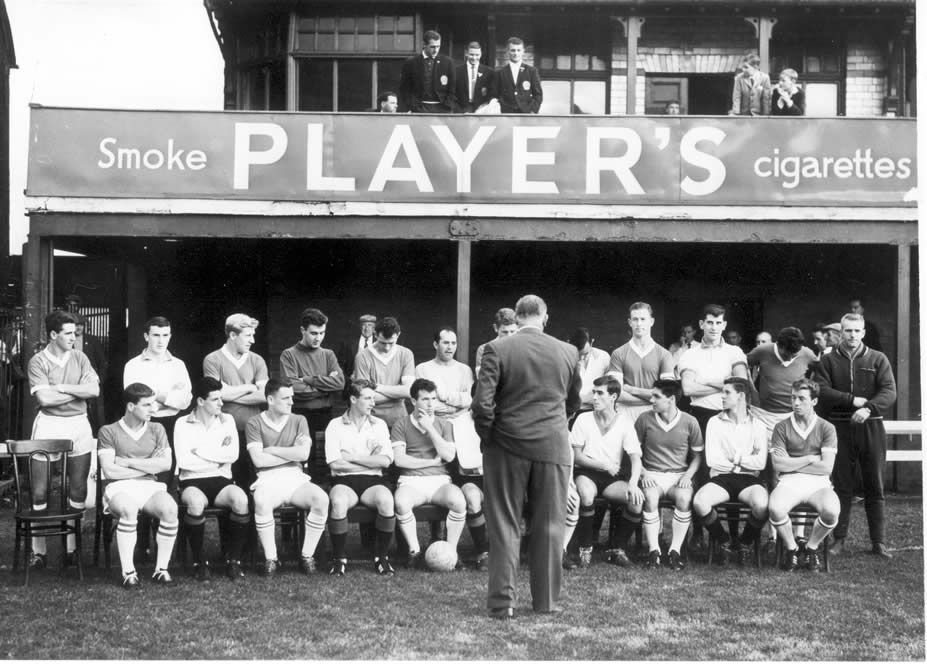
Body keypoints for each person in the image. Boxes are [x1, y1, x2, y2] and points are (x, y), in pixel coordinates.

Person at [472, 294, 581, 619]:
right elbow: (573, 402)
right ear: (544, 318)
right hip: (553, 445)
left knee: (505, 524)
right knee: (550, 524)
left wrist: (489, 437)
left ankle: (502, 603)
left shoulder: (496, 349)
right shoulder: (568, 351)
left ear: (516, 318)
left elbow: (482, 405)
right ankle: (546, 601)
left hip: (506, 446)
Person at [815, 313, 896, 558]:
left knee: (875, 484)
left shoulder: (878, 358)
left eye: (857, 331)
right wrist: (851, 400)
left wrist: (868, 408)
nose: (852, 335)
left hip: (871, 426)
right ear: (841, 332)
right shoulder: (828, 360)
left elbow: (889, 391)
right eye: (848, 331)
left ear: (863, 332)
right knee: (842, 486)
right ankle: (839, 539)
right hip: (839, 428)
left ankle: (878, 542)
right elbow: (821, 390)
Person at [26, 310, 100, 569]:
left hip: (79, 424)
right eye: (68, 333)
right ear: (53, 335)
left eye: (75, 331)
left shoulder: (80, 357)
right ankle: (38, 552)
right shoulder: (38, 361)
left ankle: (71, 549)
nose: (74, 336)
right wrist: (78, 394)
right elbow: (44, 400)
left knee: (78, 488)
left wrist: (61, 388)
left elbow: (94, 390)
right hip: (48, 424)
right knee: (39, 489)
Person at [246, 380, 329, 576]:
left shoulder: (299, 420)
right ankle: (271, 559)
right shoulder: (254, 422)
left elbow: (303, 455)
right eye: (286, 398)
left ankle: (307, 556)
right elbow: (258, 460)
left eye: (291, 397)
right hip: (267, 478)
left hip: (294, 477)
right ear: (270, 399)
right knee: (261, 501)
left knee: (321, 499)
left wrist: (273, 450)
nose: (291, 402)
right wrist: (291, 452)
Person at [97, 383, 177, 588]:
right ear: (131, 406)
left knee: (170, 508)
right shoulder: (108, 431)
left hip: (149, 486)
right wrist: (149, 467)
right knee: (128, 509)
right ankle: (128, 572)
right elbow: (110, 471)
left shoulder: (157, 428)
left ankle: (161, 569)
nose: (154, 409)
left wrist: (127, 462)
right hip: (118, 487)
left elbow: (166, 464)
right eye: (148, 405)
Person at [173, 377, 251, 581]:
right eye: (215, 399)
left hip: (222, 480)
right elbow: (184, 460)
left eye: (221, 398)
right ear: (200, 401)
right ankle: (200, 562)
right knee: (196, 503)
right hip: (192, 481)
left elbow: (232, 455)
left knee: (241, 500)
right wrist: (216, 458)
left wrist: (199, 452)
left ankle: (233, 561)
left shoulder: (228, 421)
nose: (221, 404)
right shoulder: (182, 423)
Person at [692, 377, 769, 565]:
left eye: (727, 392)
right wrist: (744, 461)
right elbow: (712, 459)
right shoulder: (714, 422)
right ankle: (724, 541)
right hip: (721, 478)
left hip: (749, 479)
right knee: (700, 502)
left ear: (741, 396)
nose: (722, 396)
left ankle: (745, 543)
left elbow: (760, 463)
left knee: (762, 505)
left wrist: (735, 460)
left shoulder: (758, 425)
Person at [392, 378, 467, 567]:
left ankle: (451, 553)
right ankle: (415, 552)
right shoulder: (401, 424)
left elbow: (448, 456)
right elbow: (400, 460)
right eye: (425, 399)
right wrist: (430, 462)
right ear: (413, 401)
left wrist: (430, 429)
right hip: (411, 481)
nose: (431, 404)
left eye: (433, 399)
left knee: (458, 501)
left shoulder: (444, 424)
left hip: (440, 481)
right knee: (401, 503)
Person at [325, 379, 397, 576]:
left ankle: (381, 557)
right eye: (368, 398)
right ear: (353, 399)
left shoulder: (379, 425)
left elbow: (385, 461)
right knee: (338, 502)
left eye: (374, 398)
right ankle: (339, 558)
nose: (373, 403)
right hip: (344, 481)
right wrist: (369, 460)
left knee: (386, 500)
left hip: (373, 481)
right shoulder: (335, 425)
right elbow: (335, 464)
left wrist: (354, 458)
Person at [569, 376, 643, 568]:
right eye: (593, 392)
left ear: (613, 397)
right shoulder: (583, 419)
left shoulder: (625, 422)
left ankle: (616, 549)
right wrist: (603, 465)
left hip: (612, 478)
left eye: (599, 393)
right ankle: (584, 550)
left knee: (636, 501)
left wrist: (633, 483)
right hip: (586, 472)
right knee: (586, 494)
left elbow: (635, 457)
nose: (594, 397)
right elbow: (576, 456)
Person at [768, 378, 840, 572]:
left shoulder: (827, 428)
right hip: (789, 482)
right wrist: (810, 458)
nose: (796, 403)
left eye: (802, 398)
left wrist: (791, 463)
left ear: (814, 401)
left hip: (819, 483)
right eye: (793, 398)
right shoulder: (781, 427)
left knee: (832, 511)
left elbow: (826, 468)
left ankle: (811, 548)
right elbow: (778, 464)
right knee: (775, 508)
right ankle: (791, 549)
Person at [636, 379, 703, 570]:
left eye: (656, 396)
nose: (651, 400)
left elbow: (698, 456)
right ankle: (654, 551)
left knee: (683, 497)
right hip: (652, 474)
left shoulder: (690, 421)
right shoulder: (644, 419)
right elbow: (633, 453)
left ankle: (675, 551)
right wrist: (643, 473)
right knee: (649, 496)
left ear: (671, 399)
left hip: (678, 475)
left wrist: (688, 476)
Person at [203, 314, 268, 489]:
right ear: (232, 335)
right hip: (222, 431)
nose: (252, 340)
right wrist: (250, 387)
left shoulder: (257, 360)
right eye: (248, 336)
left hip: (252, 431)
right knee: (227, 485)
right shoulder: (213, 359)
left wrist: (229, 392)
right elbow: (216, 393)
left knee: (252, 484)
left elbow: (264, 396)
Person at [279, 307, 345, 456]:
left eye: (322, 333)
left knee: (323, 459)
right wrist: (325, 388)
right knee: (301, 457)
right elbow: (293, 387)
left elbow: (340, 383)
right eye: (314, 333)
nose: (318, 338)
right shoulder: (288, 355)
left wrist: (308, 379)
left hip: (325, 414)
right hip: (299, 413)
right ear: (303, 330)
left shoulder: (328, 355)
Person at [123, 316, 192, 455]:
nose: (161, 341)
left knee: (169, 469)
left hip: (173, 423)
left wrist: (155, 394)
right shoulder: (133, 365)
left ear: (170, 336)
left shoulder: (178, 365)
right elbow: (134, 401)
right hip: (144, 424)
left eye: (165, 335)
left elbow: (185, 401)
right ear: (146, 336)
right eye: (156, 335)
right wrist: (171, 397)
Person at [608, 302, 675, 422]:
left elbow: (667, 393)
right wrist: (654, 397)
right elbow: (616, 394)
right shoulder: (618, 353)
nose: (639, 324)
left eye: (643, 319)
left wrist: (633, 390)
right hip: (625, 415)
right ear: (630, 322)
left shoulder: (664, 354)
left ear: (652, 321)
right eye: (635, 319)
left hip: (654, 414)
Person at [748, 327, 818, 442]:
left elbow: (820, 370)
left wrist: (810, 390)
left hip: (794, 415)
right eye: (786, 354)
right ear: (778, 345)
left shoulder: (807, 354)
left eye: (794, 355)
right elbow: (742, 366)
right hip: (764, 414)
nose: (790, 358)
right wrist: (751, 389)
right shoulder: (762, 351)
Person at [352, 316, 415, 429]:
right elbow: (364, 396)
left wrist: (376, 387)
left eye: (391, 343)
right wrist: (398, 394)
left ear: (398, 335)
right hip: (370, 421)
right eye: (382, 343)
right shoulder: (362, 356)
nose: (387, 347)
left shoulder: (406, 354)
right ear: (375, 334)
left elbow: (409, 391)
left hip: (399, 420)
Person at [399, 30, 456, 113]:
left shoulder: (447, 62)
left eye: (438, 46)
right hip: (419, 108)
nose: (436, 50)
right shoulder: (411, 62)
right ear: (424, 45)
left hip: (442, 108)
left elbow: (452, 88)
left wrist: (447, 105)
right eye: (432, 47)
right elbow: (404, 88)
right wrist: (412, 106)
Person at [73, 313, 108, 433]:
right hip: (74, 383)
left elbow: (102, 362)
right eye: (76, 325)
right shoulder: (67, 340)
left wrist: (100, 381)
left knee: (95, 414)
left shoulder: (92, 340)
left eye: (81, 325)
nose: (78, 328)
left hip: (92, 381)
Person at [489, 37, 542, 114]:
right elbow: (494, 95)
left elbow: (538, 95)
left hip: (526, 113)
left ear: (523, 51)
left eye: (518, 50)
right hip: (505, 114)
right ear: (507, 52)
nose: (516, 53)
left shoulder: (531, 71)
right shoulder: (499, 73)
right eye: (513, 50)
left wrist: (533, 111)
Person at [569, 327, 610, 412]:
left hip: (596, 410)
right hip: (570, 410)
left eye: (585, 353)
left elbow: (609, 386)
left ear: (592, 341)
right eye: (578, 353)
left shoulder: (603, 357)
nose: (582, 357)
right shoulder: (565, 358)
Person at [475, 308, 517, 377]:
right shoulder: (483, 349)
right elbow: (481, 378)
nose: (509, 336)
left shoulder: (523, 348)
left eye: (512, 331)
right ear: (495, 328)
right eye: (505, 332)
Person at [455, 42, 493, 113]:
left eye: (477, 55)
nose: (474, 58)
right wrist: (459, 111)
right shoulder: (457, 71)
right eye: (471, 54)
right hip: (462, 110)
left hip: (481, 111)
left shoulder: (488, 72)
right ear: (466, 53)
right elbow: (453, 94)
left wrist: (483, 109)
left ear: (481, 54)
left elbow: (491, 94)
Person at [338, 314, 377, 379]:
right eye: (364, 325)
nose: (366, 328)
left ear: (374, 328)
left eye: (369, 325)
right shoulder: (348, 343)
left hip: (373, 382)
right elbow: (340, 364)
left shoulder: (379, 343)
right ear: (360, 327)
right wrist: (347, 379)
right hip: (352, 382)